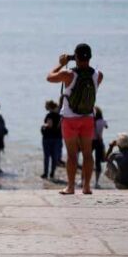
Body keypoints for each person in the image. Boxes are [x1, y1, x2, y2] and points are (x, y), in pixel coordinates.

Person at [46, 43, 104, 195]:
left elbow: (49, 77)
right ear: (90, 57)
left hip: (70, 119)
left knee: (72, 154)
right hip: (88, 118)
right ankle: (86, 187)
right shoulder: (98, 75)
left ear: (75, 57)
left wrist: (61, 64)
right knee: (87, 153)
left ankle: (71, 187)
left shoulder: (68, 74)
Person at [40, 100, 62, 180]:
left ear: (49, 106)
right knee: (54, 156)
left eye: (46, 105)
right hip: (57, 138)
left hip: (48, 138)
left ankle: (45, 174)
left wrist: (43, 125)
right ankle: (52, 173)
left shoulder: (49, 115)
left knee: (47, 156)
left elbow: (50, 125)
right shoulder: (59, 115)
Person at [92, 106, 108, 189]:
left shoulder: (90, 120)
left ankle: (82, 180)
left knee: (86, 159)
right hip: (99, 141)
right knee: (98, 162)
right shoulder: (102, 121)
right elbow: (106, 126)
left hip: (90, 141)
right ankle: (96, 182)